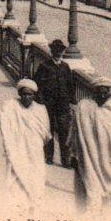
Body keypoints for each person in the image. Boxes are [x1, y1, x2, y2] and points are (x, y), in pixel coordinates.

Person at [69, 76, 111, 213]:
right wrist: (73, 152)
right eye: (99, 92)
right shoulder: (83, 107)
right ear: (93, 91)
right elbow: (74, 130)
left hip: (109, 158)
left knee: (109, 197)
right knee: (92, 190)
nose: (102, 95)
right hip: (89, 157)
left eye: (105, 92)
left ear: (109, 92)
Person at [0, 79, 51, 212]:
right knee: (16, 176)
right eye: (24, 94)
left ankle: (34, 204)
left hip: (34, 150)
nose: (26, 97)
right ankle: (19, 206)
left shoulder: (40, 110)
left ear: (34, 96)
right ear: (20, 95)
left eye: (29, 95)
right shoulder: (10, 107)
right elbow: (3, 123)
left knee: (35, 177)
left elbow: (45, 133)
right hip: (16, 148)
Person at [34, 39, 76, 167]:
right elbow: (37, 85)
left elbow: (71, 85)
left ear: (62, 52)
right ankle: (49, 156)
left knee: (64, 131)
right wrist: (40, 102)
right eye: (55, 51)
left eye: (60, 51)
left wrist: (71, 101)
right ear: (51, 51)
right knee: (49, 130)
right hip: (48, 104)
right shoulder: (44, 66)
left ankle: (65, 159)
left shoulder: (65, 67)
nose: (58, 53)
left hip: (63, 105)